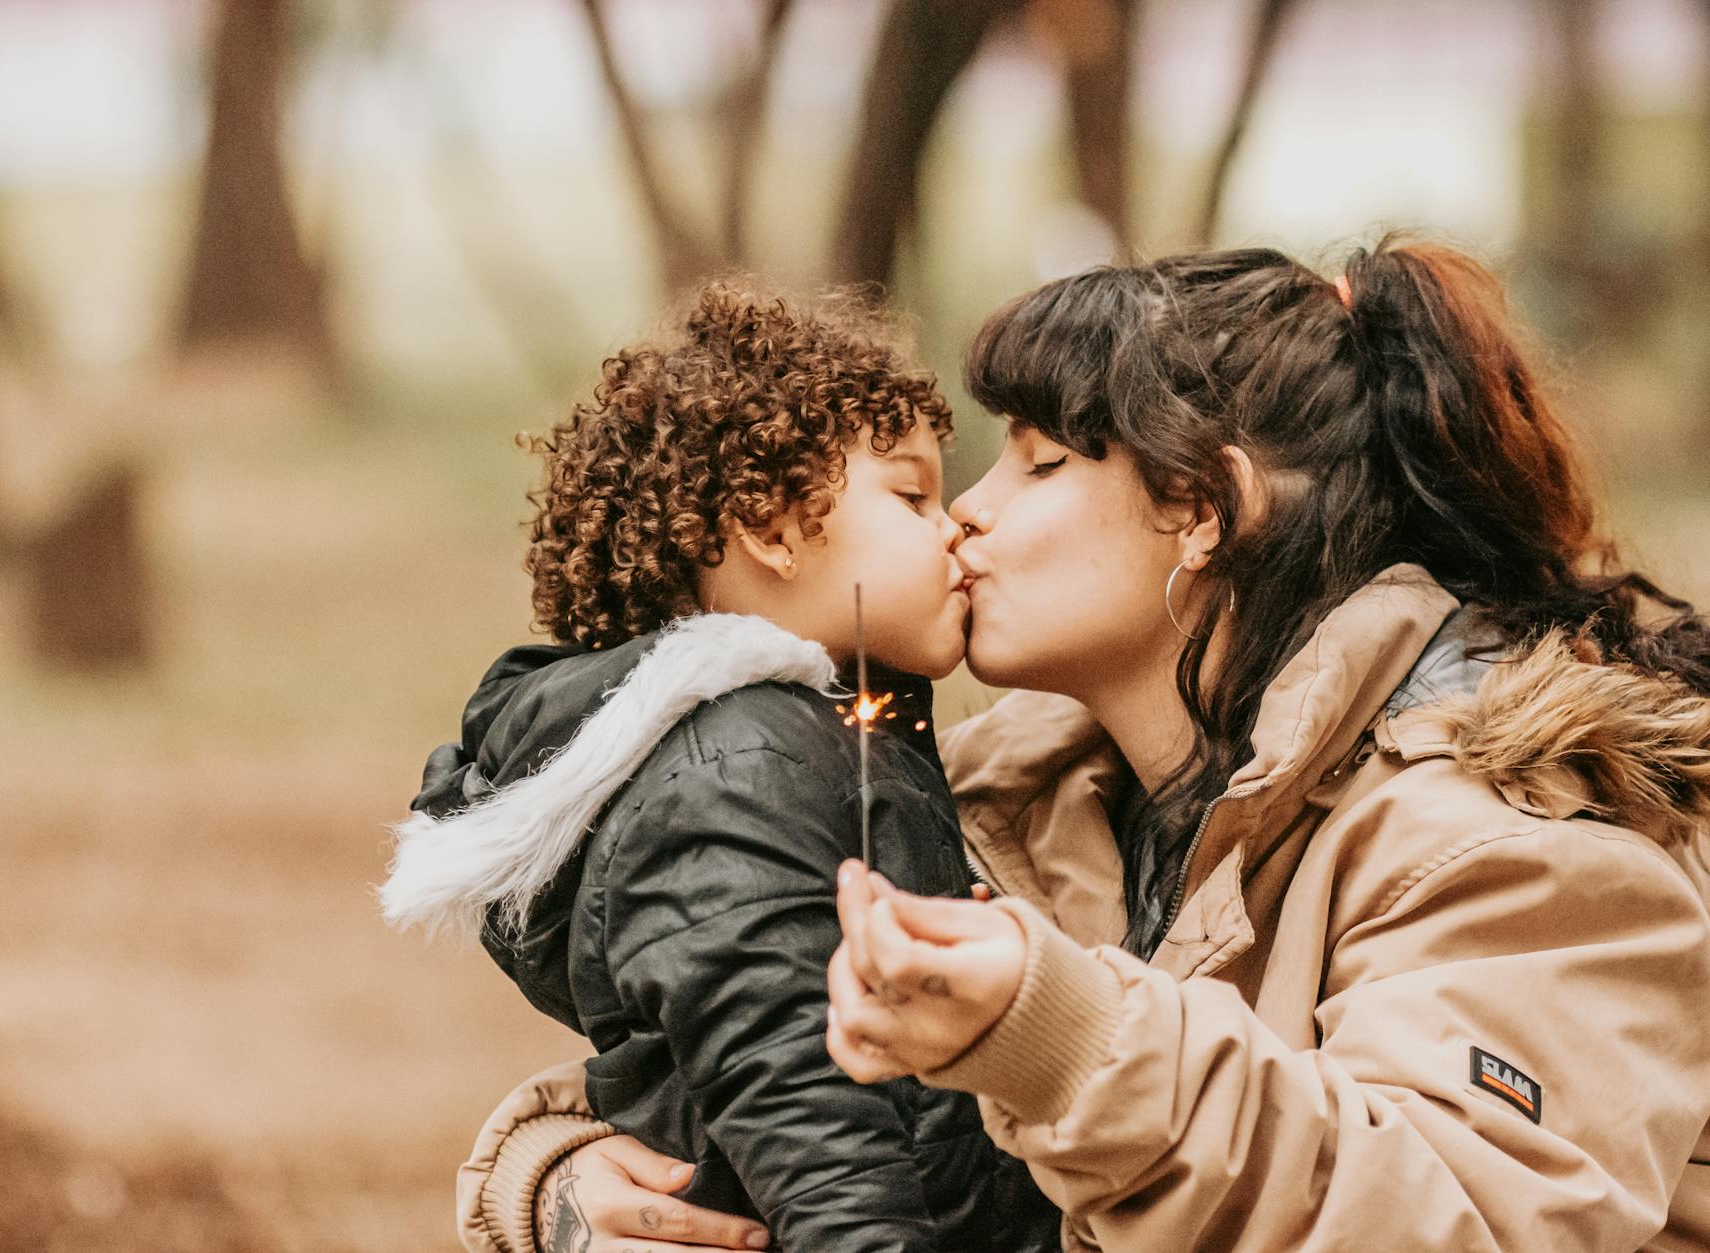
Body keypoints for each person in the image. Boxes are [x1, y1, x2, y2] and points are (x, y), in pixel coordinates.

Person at [452, 239, 1710, 1251]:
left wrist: (1058, 1031)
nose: (967, 515)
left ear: (1200, 508)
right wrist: (553, 1176)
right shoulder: (1020, 794)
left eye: (1038, 462)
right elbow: (759, 1039)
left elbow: (1462, 1213)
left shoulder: (1516, 838)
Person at [385, 282, 1059, 1253]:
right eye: (911, 493)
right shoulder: (742, 768)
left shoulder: (798, 741)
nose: (951, 522)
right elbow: (801, 1102)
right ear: (772, 527)